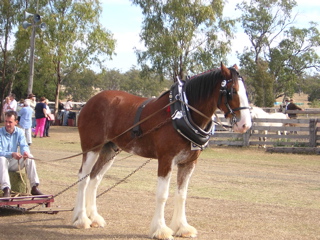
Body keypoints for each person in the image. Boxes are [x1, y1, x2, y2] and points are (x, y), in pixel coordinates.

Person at [0, 111, 43, 197]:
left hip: (13, 162)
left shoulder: (19, 132)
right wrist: (12, 154)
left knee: (30, 157)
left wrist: (25, 153)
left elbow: (24, 145)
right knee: (2, 159)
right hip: (2, 162)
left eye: (10, 122)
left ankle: (34, 187)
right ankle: (6, 189)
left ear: (16, 122)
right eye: (6, 121)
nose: (7, 124)